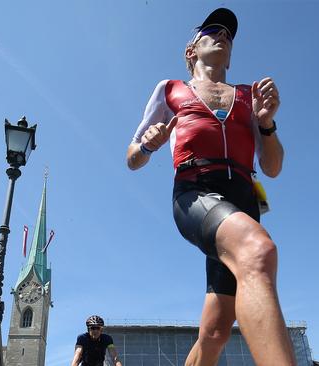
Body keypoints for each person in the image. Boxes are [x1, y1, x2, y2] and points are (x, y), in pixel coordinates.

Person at [126, 8, 296, 366]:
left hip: (244, 200)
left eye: (228, 35)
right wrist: (148, 145)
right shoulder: (170, 89)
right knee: (257, 251)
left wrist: (266, 124)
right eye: (213, 31)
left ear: (231, 56)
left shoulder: (250, 96)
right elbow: (131, 158)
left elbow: (273, 167)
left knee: (217, 330)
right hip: (195, 191)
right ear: (192, 50)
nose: (223, 35)